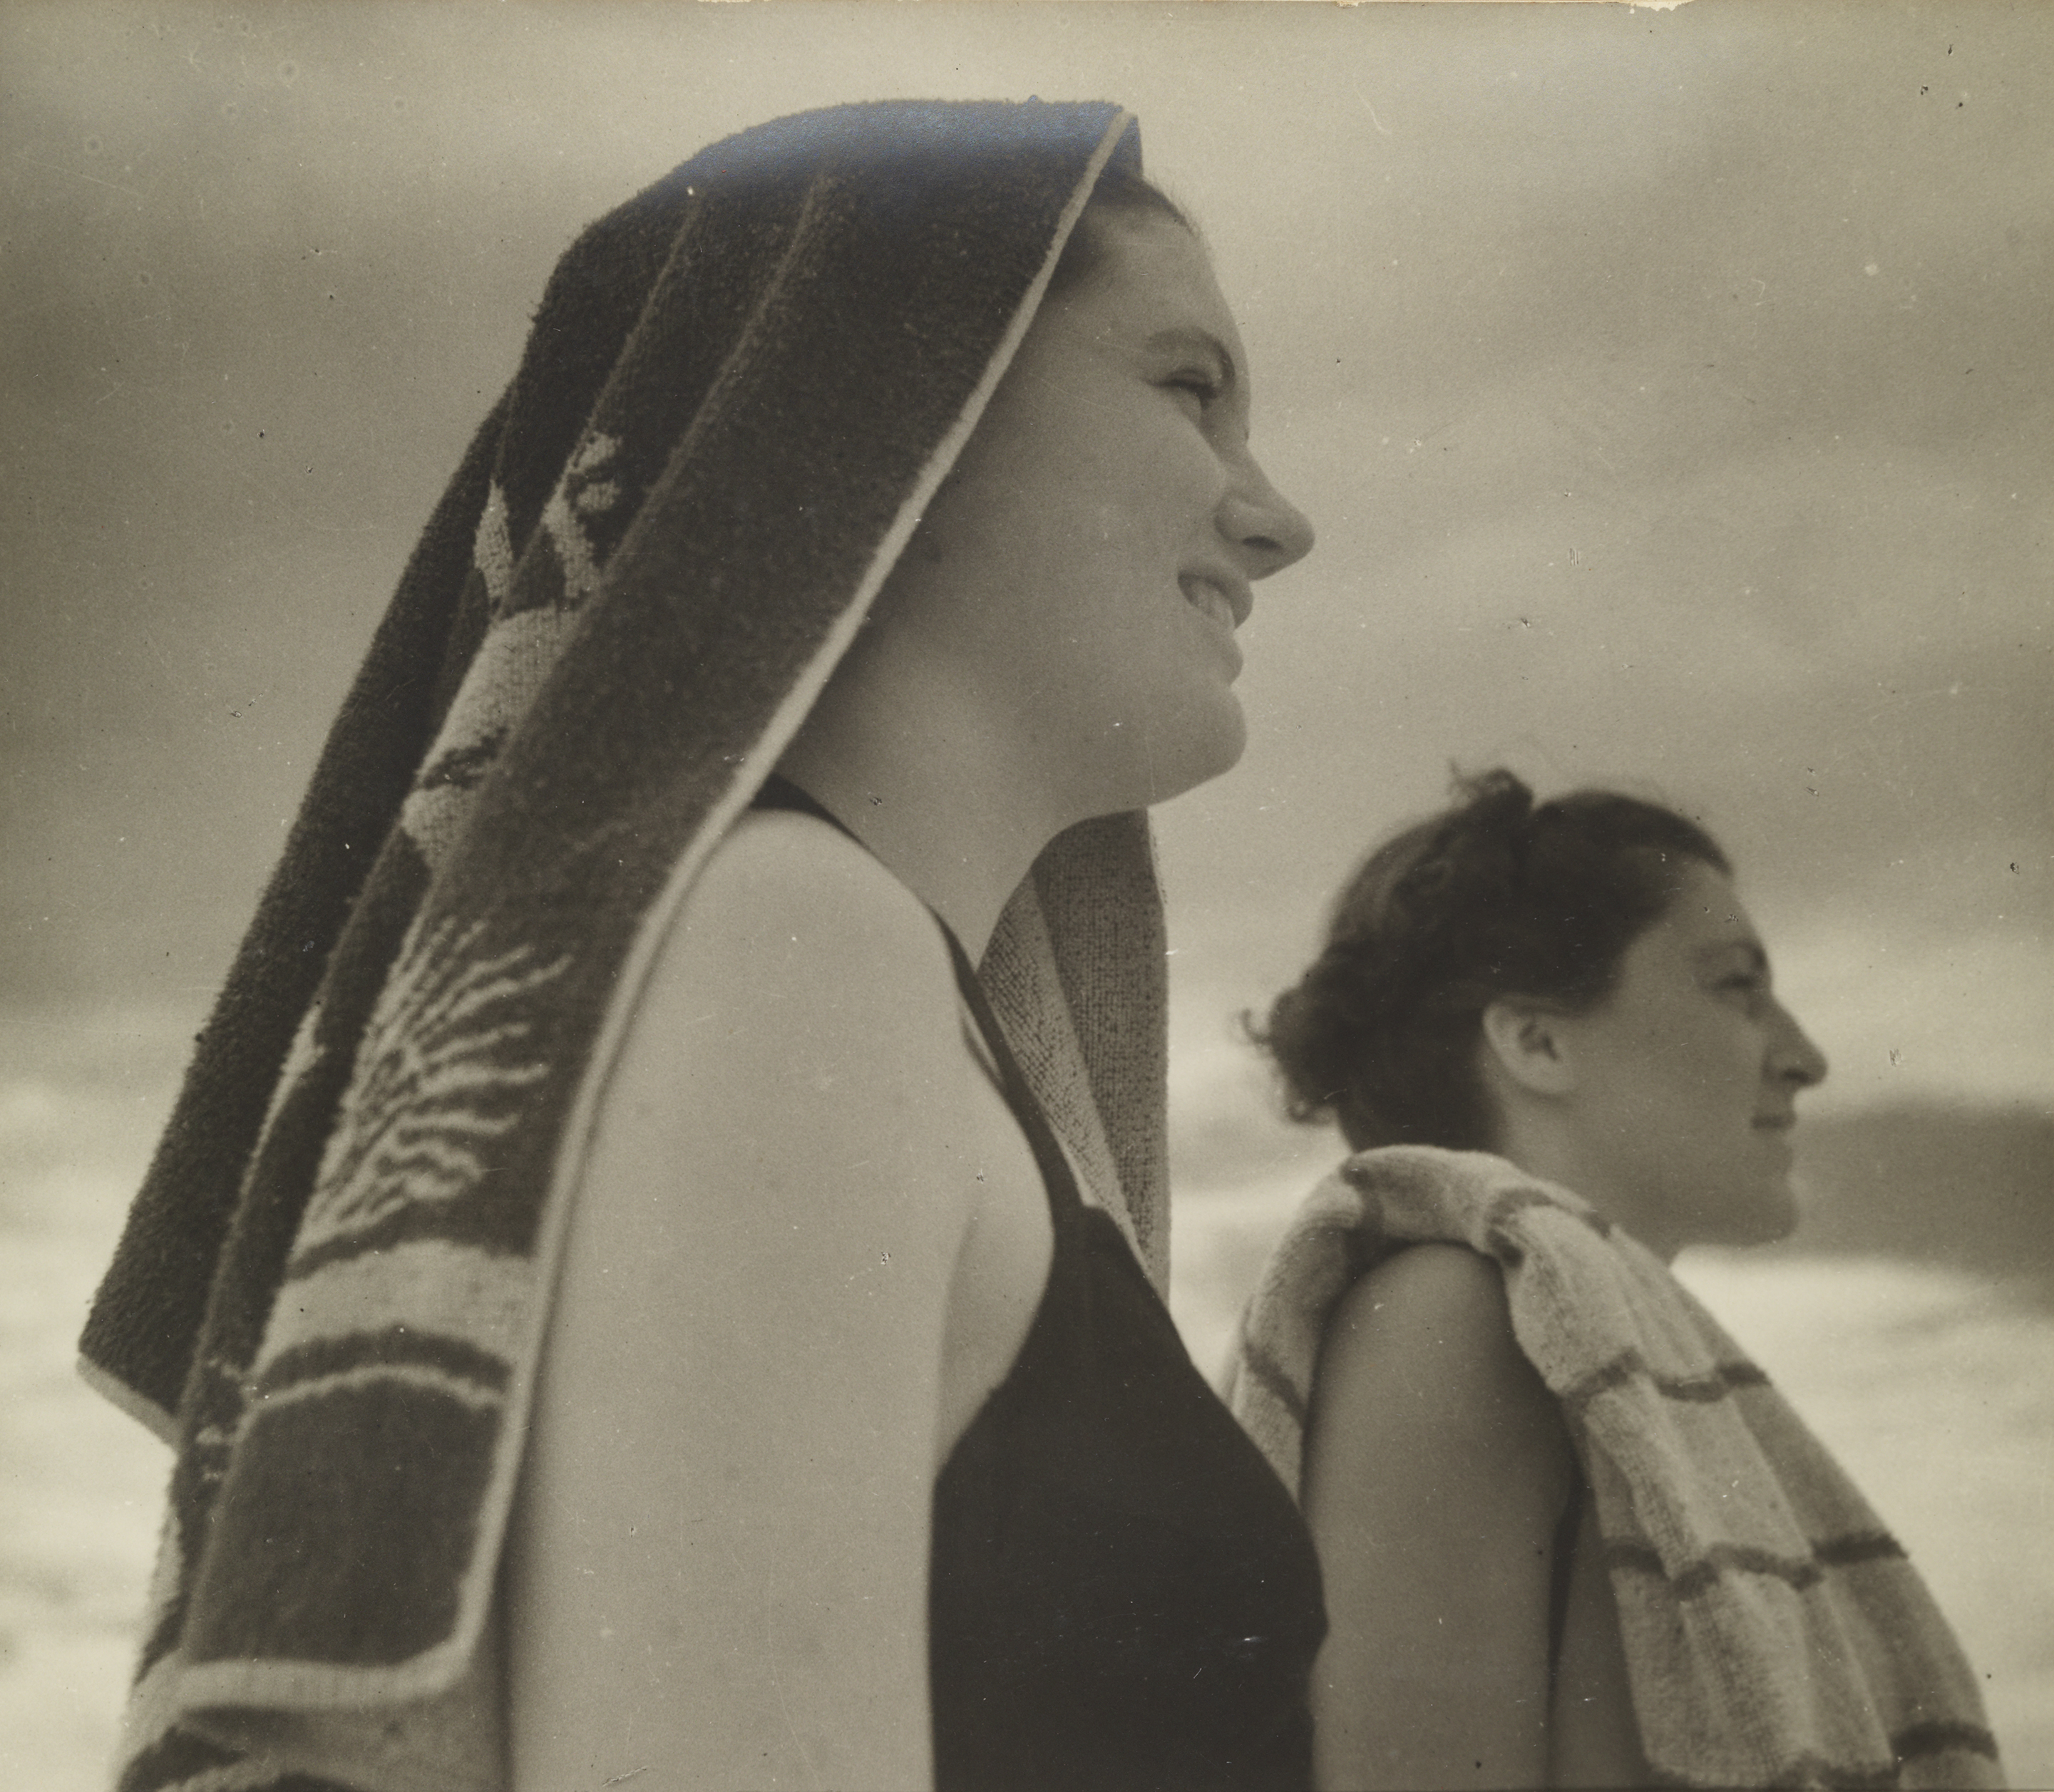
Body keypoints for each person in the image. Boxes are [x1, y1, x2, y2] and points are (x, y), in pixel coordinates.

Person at [80, 102, 1323, 1792]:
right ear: (895, 395)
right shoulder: (792, 945)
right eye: (1191, 388)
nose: (1276, 520)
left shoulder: (861, 988)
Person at [1226, 770, 2003, 1791]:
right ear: (1536, 1041)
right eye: (1735, 984)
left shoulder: (1552, 1341)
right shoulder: (1444, 1317)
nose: (1802, 1056)